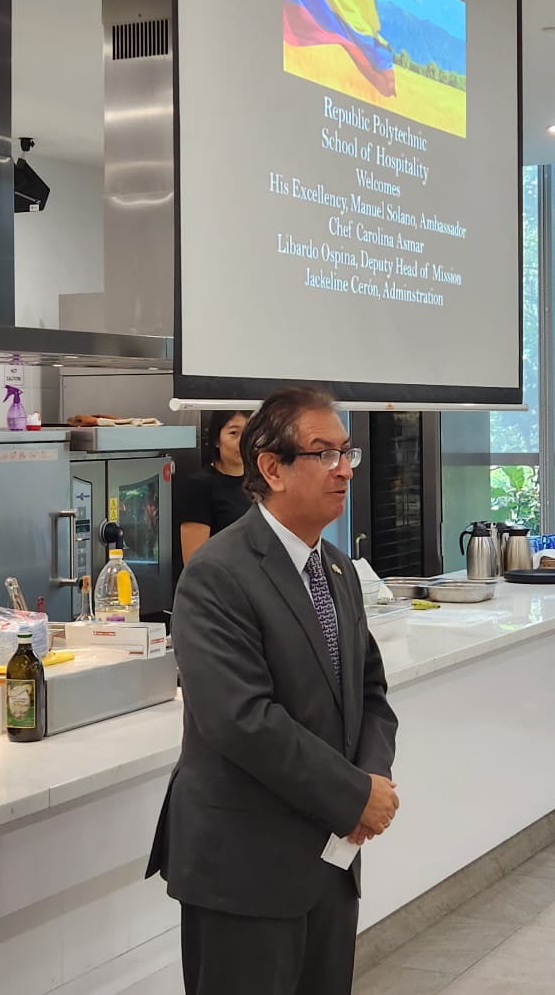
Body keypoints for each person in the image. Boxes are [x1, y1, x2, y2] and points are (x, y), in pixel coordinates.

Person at [147, 386, 400, 995]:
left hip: (330, 858)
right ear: (271, 468)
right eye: (324, 454)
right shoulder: (217, 573)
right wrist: (351, 794)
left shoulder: (334, 567)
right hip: (245, 867)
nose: (344, 470)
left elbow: (369, 691)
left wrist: (366, 788)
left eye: (348, 453)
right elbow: (240, 718)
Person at [175, 410, 252, 565]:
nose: (242, 441)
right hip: (219, 584)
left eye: (248, 433)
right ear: (217, 439)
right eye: (234, 433)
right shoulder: (199, 485)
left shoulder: (261, 482)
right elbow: (194, 562)